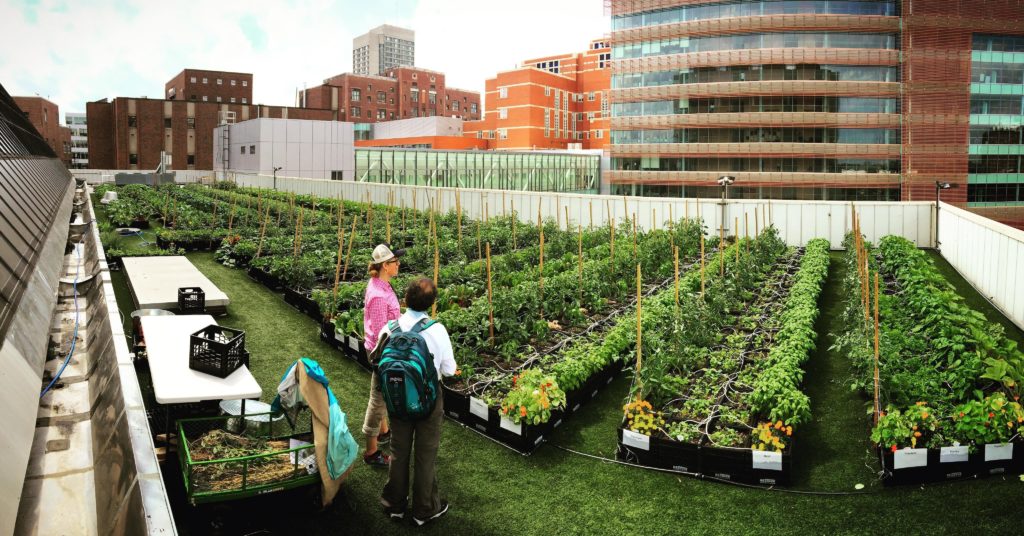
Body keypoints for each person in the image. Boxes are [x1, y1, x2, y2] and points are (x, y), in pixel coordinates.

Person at [379, 278, 456, 526]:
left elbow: (378, 361)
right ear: (432, 304)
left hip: (397, 399)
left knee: (398, 450)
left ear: (405, 300)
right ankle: (424, 509)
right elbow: (450, 370)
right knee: (425, 454)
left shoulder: (389, 327)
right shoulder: (437, 330)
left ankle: (395, 504)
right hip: (428, 402)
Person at [361, 243, 403, 467]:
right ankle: (371, 451)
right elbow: (380, 334)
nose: (399, 265)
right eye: (395, 262)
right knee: (377, 399)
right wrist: (391, 357)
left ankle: (384, 432)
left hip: (385, 348)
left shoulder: (383, 284)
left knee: (383, 394)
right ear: (385, 266)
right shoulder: (378, 294)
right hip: (382, 352)